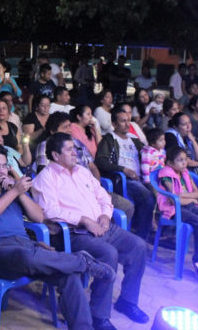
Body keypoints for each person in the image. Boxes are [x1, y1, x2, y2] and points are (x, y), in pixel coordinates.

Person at [0, 142, 115, 329]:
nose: (1, 171)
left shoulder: (9, 188)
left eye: (4, 166)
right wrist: (15, 191)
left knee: (69, 275)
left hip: (25, 246)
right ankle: (83, 262)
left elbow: (38, 216)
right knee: (28, 255)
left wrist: (19, 193)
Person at [33, 133, 149, 327]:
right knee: (108, 254)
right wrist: (84, 220)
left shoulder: (82, 171)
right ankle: (99, 316)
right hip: (73, 233)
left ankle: (127, 302)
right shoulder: (46, 177)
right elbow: (49, 211)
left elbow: (103, 195)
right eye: (69, 149)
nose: (75, 153)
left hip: (102, 225)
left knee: (138, 246)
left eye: (75, 148)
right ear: (55, 154)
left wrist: (105, 215)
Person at [36, 112, 135, 222]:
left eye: (70, 126)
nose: (69, 130)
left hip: (89, 186)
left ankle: (110, 229)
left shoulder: (77, 142)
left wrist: (95, 185)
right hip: (69, 193)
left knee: (127, 207)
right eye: (65, 127)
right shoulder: (45, 146)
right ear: (53, 131)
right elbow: (42, 172)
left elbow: (92, 166)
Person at [157, 147, 198, 284]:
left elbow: (197, 194)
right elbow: (173, 199)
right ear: (170, 163)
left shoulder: (185, 173)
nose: (184, 163)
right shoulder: (166, 175)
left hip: (191, 206)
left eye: (185, 160)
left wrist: (186, 197)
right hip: (175, 209)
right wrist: (188, 198)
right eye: (180, 161)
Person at [95, 108, 156, 240]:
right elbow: (101, 161)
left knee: (160, 192)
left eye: (128, 120)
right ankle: (141, 237)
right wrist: (124, 170)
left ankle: (152, 227)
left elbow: (147, 155)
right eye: (123, 121)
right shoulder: (109, 139)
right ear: (114, 124)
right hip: (123, 180)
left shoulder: (134, 140)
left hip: (141, 177)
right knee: (148, 197)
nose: (127, 124)